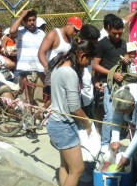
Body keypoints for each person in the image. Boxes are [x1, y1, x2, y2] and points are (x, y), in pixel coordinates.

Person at [46, 40, 95, 186]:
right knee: (78, 169)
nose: (88, 64)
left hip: (55, 122)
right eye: (89, 59)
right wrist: (87, 123)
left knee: (65, 166)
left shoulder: (58, 66)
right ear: (82, 55)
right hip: (64, 126)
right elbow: (74, 108)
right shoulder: (70, 73)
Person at [92, 14, 128, 149]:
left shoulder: (124, 43)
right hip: (108, 84)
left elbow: (124, 58)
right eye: (114, 33)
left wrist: (126, 59)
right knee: (109, 115)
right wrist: (112, 74)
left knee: (121, 114)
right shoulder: (102, 44)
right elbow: (95, 65)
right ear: (107, 29)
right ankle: (105, 144)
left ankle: (115, 140)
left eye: (120, 33)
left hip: (122, 84)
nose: (117, 36)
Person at [38, 16, 82, 108]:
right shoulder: (54, 34)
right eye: (75, 30)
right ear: (68, 25)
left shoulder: (71, 41)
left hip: (63, 76)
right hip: (51, 75)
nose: (75, 33)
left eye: (77, 31)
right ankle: (40, 115)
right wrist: (48, 69)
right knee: (51, 101)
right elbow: (41, 53)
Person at [9, 9, 46, 90]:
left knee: (38, 100)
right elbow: (12, 31)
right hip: (24, 70)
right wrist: (22, 15)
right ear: (24, 22)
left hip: (39, 70)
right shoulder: (20, 32)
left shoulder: (41, 33)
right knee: (25, 99)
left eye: (33, 20)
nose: (32, 22)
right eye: (29, 20)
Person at [77, 24, 100, 118]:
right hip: (79, 102)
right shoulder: (76, 56)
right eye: (94, 42)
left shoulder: (89, 52)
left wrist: (95, 82)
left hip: (89, 98)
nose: (97, 44)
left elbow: (88, 72)